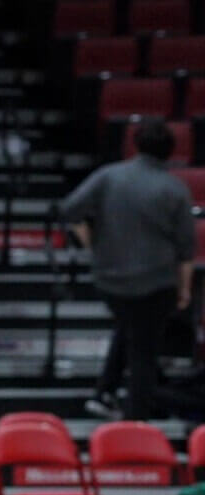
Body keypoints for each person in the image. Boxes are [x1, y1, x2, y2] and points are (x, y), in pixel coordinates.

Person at [61, 120, 197, 421]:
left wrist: (91, 244)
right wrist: (184, 288)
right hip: (156, 282)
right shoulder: (175, 188)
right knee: (143, 353)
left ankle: (104, 392)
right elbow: (186, 248)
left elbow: (70, 209)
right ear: (170, 152)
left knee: (131, 327)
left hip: (110, 279)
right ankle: (136, 421)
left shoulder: (108, 176)